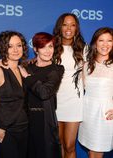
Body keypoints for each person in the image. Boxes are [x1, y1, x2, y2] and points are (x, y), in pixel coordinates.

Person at [19, 32, 64, 158]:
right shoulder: (27, 67)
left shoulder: (56, 69)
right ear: (35, 49)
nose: (47, 51)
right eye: (43, 47)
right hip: (25, 120)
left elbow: (44, 93)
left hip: (44, 120)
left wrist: (27, 77)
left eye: (50, 46)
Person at [53, 13, 86, 158]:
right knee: (58, 143)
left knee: (69, 145)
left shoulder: (83, 49)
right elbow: (37, 64)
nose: (68, 28)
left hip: (74, 103)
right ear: (60, 27)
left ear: (77, 28)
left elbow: (91, 76)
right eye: (65, 24)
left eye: (73, 25)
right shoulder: (52, 48)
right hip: (55, 102)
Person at [78, 27, 113, 158]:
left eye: (109, 41)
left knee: (96, 152)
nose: (105, 44)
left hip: (105, 115)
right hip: (87, 113)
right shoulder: (86, 65)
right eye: (101, 40)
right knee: (91, 152)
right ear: (95, 43)